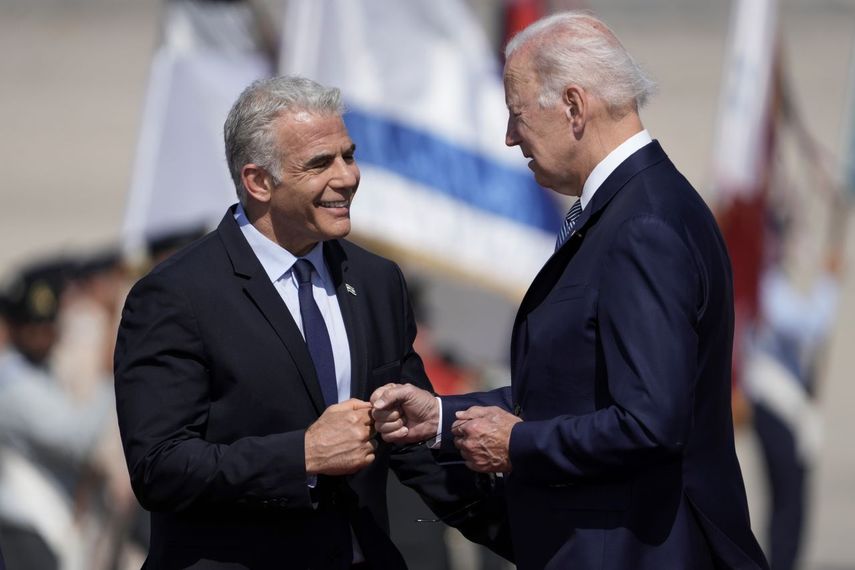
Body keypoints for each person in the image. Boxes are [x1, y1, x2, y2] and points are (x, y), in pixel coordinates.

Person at [371, 11, 769, 570]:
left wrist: (518, 445)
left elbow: (650, 422)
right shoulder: (630, 208)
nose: (509, 138)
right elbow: (573, 394)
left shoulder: (642, 224)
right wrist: (440, 418)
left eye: (516, 116)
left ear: (574, 107)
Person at [114, 75, 509, 569]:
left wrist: (531, 538)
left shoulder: (375, 279)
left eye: (349, 155)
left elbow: (410, 440)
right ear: (258, 181)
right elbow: (160, 467)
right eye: (320, 163)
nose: (347, 177)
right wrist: (300, 455)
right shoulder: (177, 294)